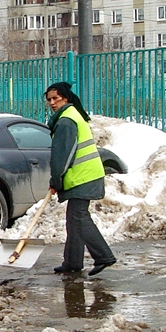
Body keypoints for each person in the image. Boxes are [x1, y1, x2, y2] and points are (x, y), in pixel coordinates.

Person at [45, 82, 116, 276]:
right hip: (87, 175)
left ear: (65, 98)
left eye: (55, 98)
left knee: (78, 217)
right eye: (49, 99)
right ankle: (72, 262)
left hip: (83, 177)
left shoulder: (66, 121)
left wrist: (56, 180)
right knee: (73, 219)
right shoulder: (73, 115)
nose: (52, 103)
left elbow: (62, 155)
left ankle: (103, 256)